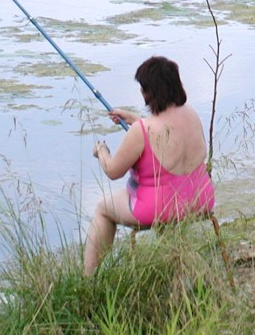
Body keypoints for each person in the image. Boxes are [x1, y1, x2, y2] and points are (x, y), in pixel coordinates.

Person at [84, 55, 216, 275]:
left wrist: (102, 152)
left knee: (103, 208)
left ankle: (87, 279)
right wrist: (134, 118)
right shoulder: (192, 115)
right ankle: (178, 267)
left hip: (157, 209)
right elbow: (165, 131)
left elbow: (113, 171)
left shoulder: (142, 131)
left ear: (149, 92)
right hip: (199, 201)